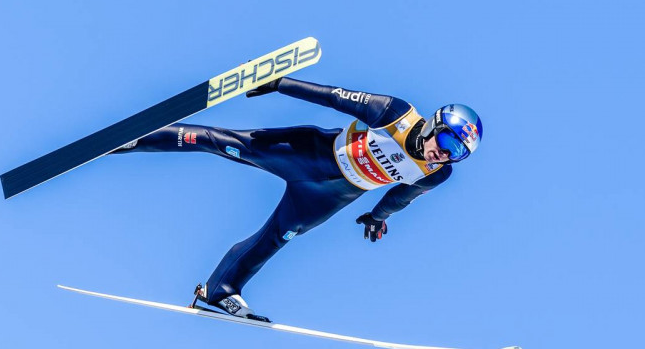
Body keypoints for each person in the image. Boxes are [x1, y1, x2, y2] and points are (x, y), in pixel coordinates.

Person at [114, 77, 483, 321]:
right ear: (436, 124)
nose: (445, 155)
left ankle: (219, 290)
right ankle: (133, 140)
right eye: (448, 143)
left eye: (457, 154)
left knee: (276, 238)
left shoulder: (438, 172)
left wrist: (377, 216)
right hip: (309, 152)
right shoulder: (394, 113)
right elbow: (334, 96)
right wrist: (280, 83)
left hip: (329, 196)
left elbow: (403, 195)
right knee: (221, 141)